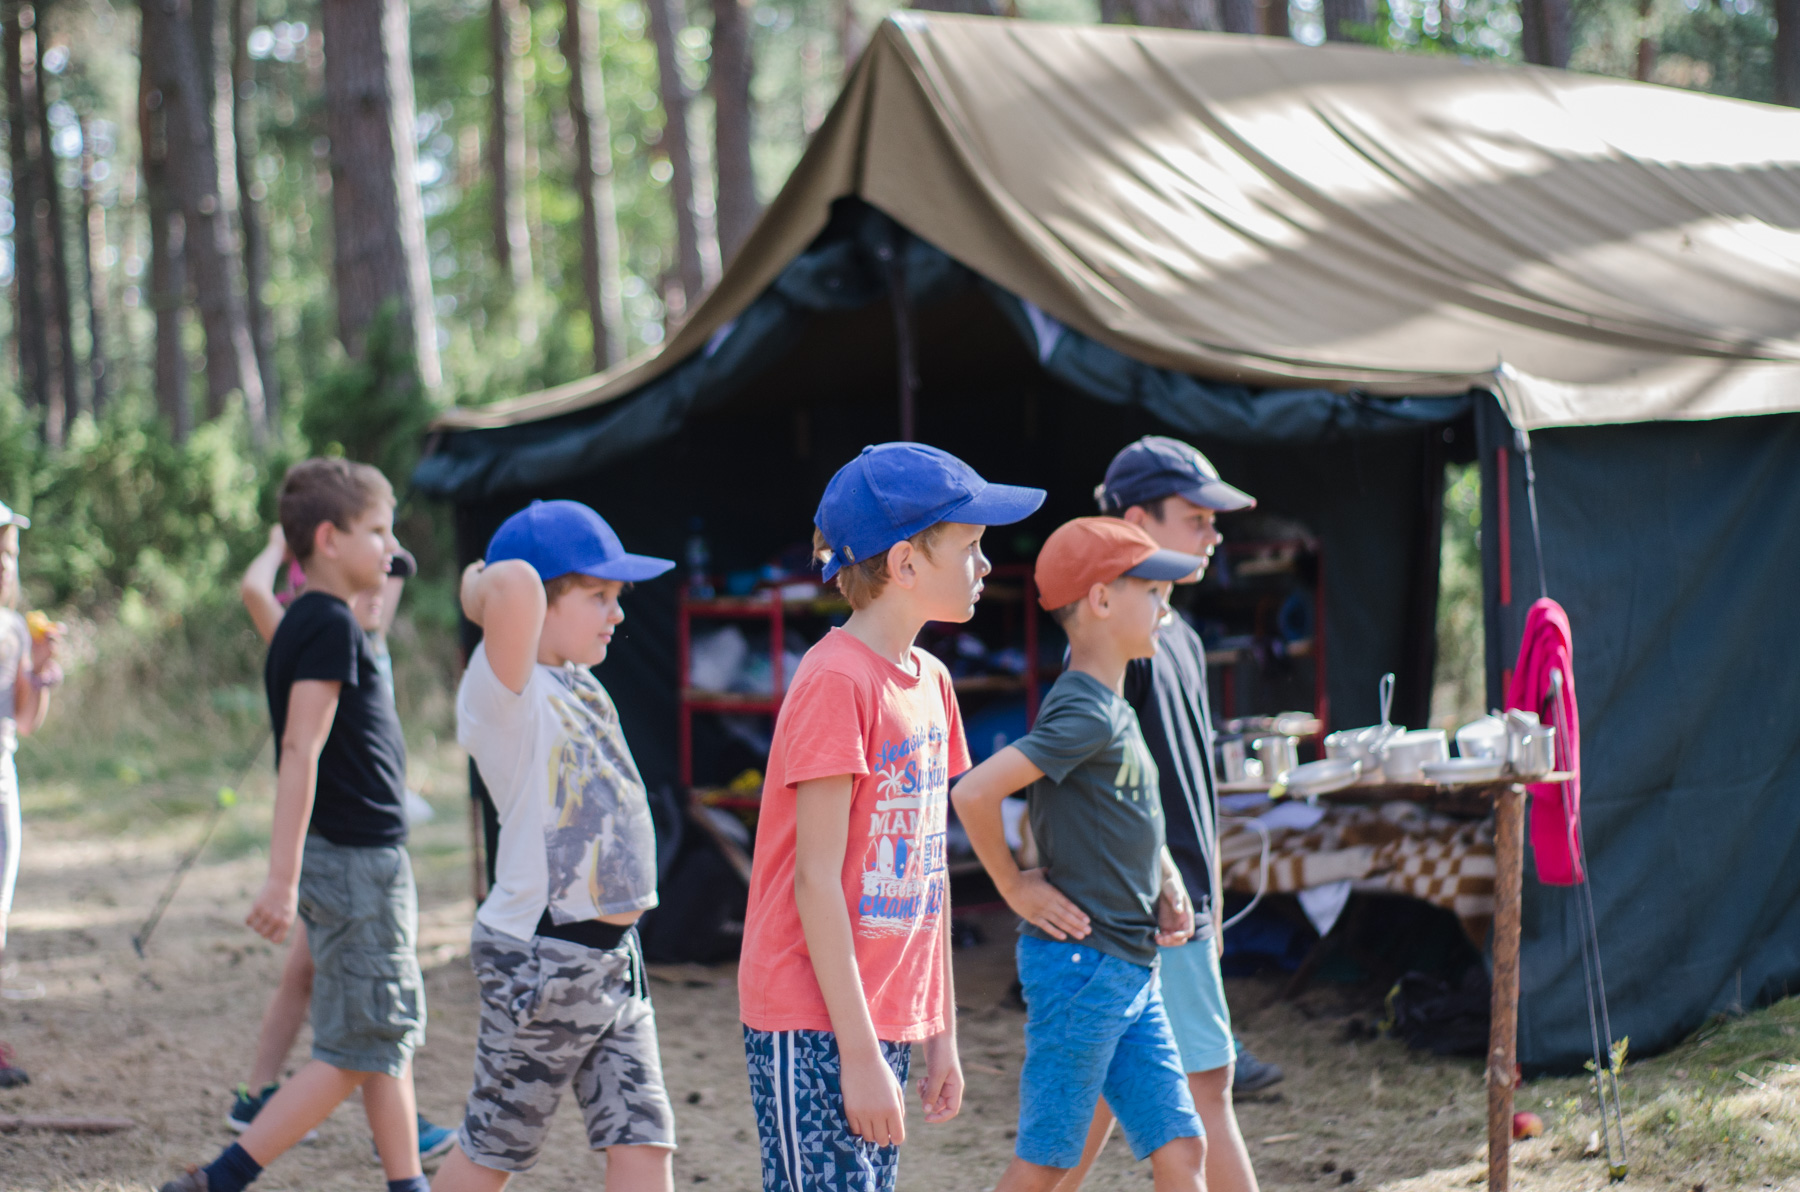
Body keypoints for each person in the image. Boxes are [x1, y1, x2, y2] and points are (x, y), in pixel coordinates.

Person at [738, 443, 1043, 1191]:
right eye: (970, 547)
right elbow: (814, 882)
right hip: (815, 1018)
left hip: (881, 1019)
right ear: (905, 563)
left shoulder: (933, 681)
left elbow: (928, 871)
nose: (985, 566)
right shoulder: (834, 681)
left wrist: (939, 1031)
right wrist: (858, 1053)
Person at [159, 459, 427, 1192]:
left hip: (359, 859)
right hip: (359, 864)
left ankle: (408, 1183)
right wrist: (281, 880)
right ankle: (220, 1179)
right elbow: (299, 748)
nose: (390, 546)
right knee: (355, 1048)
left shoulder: (314, 620)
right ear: (329, 540)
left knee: (378, 1038)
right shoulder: (330, 625)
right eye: (378, 531)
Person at [952, 516, 1211, 1192]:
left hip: (1130, 966)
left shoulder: (1112, 706)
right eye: (1151, 592)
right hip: (1082, 969)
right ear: (1099, 600)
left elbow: (1122, 811)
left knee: (1182, 1148)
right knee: (1047, 1162)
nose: (1166, 608)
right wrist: (1014, 887)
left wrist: (1165, 876)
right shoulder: (1086, 711)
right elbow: (974, 792)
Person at [432, 499, 679, 1191]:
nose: (617, 613)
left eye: (618, 596)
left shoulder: (576, 679)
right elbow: (511, 584)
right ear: (540, 601)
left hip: (611, 959)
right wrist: (477, 585)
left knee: (643, 1137)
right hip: (543, 958)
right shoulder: (504, 692)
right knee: (493, 1148)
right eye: (598, 595)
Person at [1053, 436, 1272, 1192]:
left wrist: (1205, 898)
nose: (1213, 535)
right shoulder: (1114, 642)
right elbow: (1096, 786)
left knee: (1097, 1099)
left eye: (1214, 521)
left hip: (1176, 906)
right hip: (1152, 909)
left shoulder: (1176, 632)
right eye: (1196, 518)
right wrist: (1172, 885)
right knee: (1206, 1086)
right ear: (1137, 520)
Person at [227, 524, 455, 1162]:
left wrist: (378, 540)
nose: (384, 589)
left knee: (320, 978)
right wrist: (280, 546)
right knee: (362, 1003)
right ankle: (258, 1108)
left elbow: (388, 575)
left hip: (353, 848)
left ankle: (264, 1099)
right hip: (340, 848)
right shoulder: (316, 634)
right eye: (376, 572)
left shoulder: (369, 640)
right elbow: (254, 591)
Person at [0, 500, 62, 1091]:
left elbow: (24, 720)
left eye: (9, 553)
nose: (3, 563)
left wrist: (40, 672)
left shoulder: (15, 628)